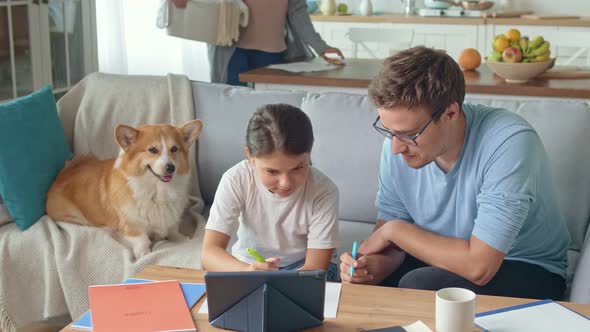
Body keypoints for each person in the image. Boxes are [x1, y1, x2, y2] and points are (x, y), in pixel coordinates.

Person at [339, 46, 570, 300]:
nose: (395, 147)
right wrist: (372, 268)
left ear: (450, 112)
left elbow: (479, 267)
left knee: (420, 284)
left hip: (522, 267)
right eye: (388, 130)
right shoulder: (397, 144)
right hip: (436, 261)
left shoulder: (510, 142)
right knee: (342, 282)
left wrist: (394, 231)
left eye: (408, 134)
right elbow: (390, 239)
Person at [201, 103, 340, 280]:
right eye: (272, 171)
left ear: (310, 149)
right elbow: (209, 252)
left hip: (303, 269)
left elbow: (315, 268)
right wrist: (246, 271)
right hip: (248, 265)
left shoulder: (323, 191)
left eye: (298, 168)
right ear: (250, 156)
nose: (285, 183)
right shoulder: (236, 179)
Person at [171, 0, 344, 86]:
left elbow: (297, 11)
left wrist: (320, 46)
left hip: (273, 52)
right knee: (232, 105)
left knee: (271, 115)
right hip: (231, 51)